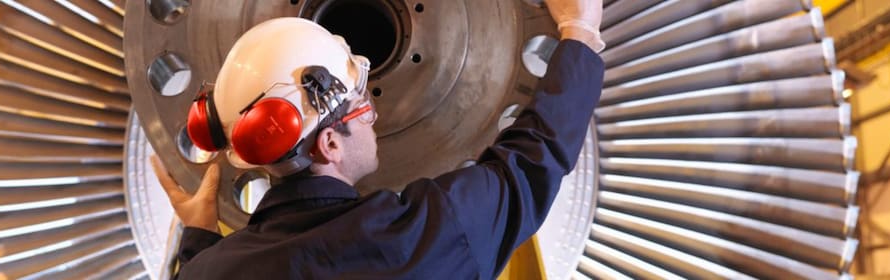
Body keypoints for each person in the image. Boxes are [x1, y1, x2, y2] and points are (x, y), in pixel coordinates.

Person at [150, 0, 605, 278]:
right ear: (329, 144)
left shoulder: (209, 271)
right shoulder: (419, 241)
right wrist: (579, 31)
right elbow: (528, 166)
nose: (375, 114)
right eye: (362, 104)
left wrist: (199, 238)